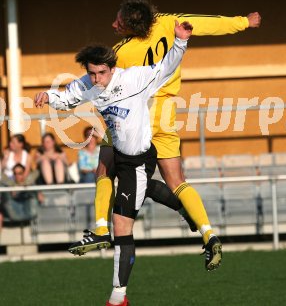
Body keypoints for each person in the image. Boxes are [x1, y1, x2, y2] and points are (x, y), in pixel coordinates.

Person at [34, 21, 219, 305]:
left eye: (101, 73)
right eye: (92, 73)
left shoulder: (134, 78)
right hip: (118, 151)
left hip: (137, 162)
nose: (97, 79)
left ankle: (118, 296)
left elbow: (165, 67)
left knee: (122, 226)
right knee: (110, 174)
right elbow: (67, 97)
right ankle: (107, 236)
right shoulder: (87, 84)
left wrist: (180, 41)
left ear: (112, 68)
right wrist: (49, 96)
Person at [70, 0, 261, 262]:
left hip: (133, 116)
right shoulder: (168, 23)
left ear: (130, 27)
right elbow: (206, 23)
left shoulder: (119, 53)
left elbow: (98, 81)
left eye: (119, 22)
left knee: (105, 168)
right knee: (177, 180)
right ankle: (208, 234)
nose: (113, 24)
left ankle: (102, 228)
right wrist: (243, 22)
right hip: (166, 113)